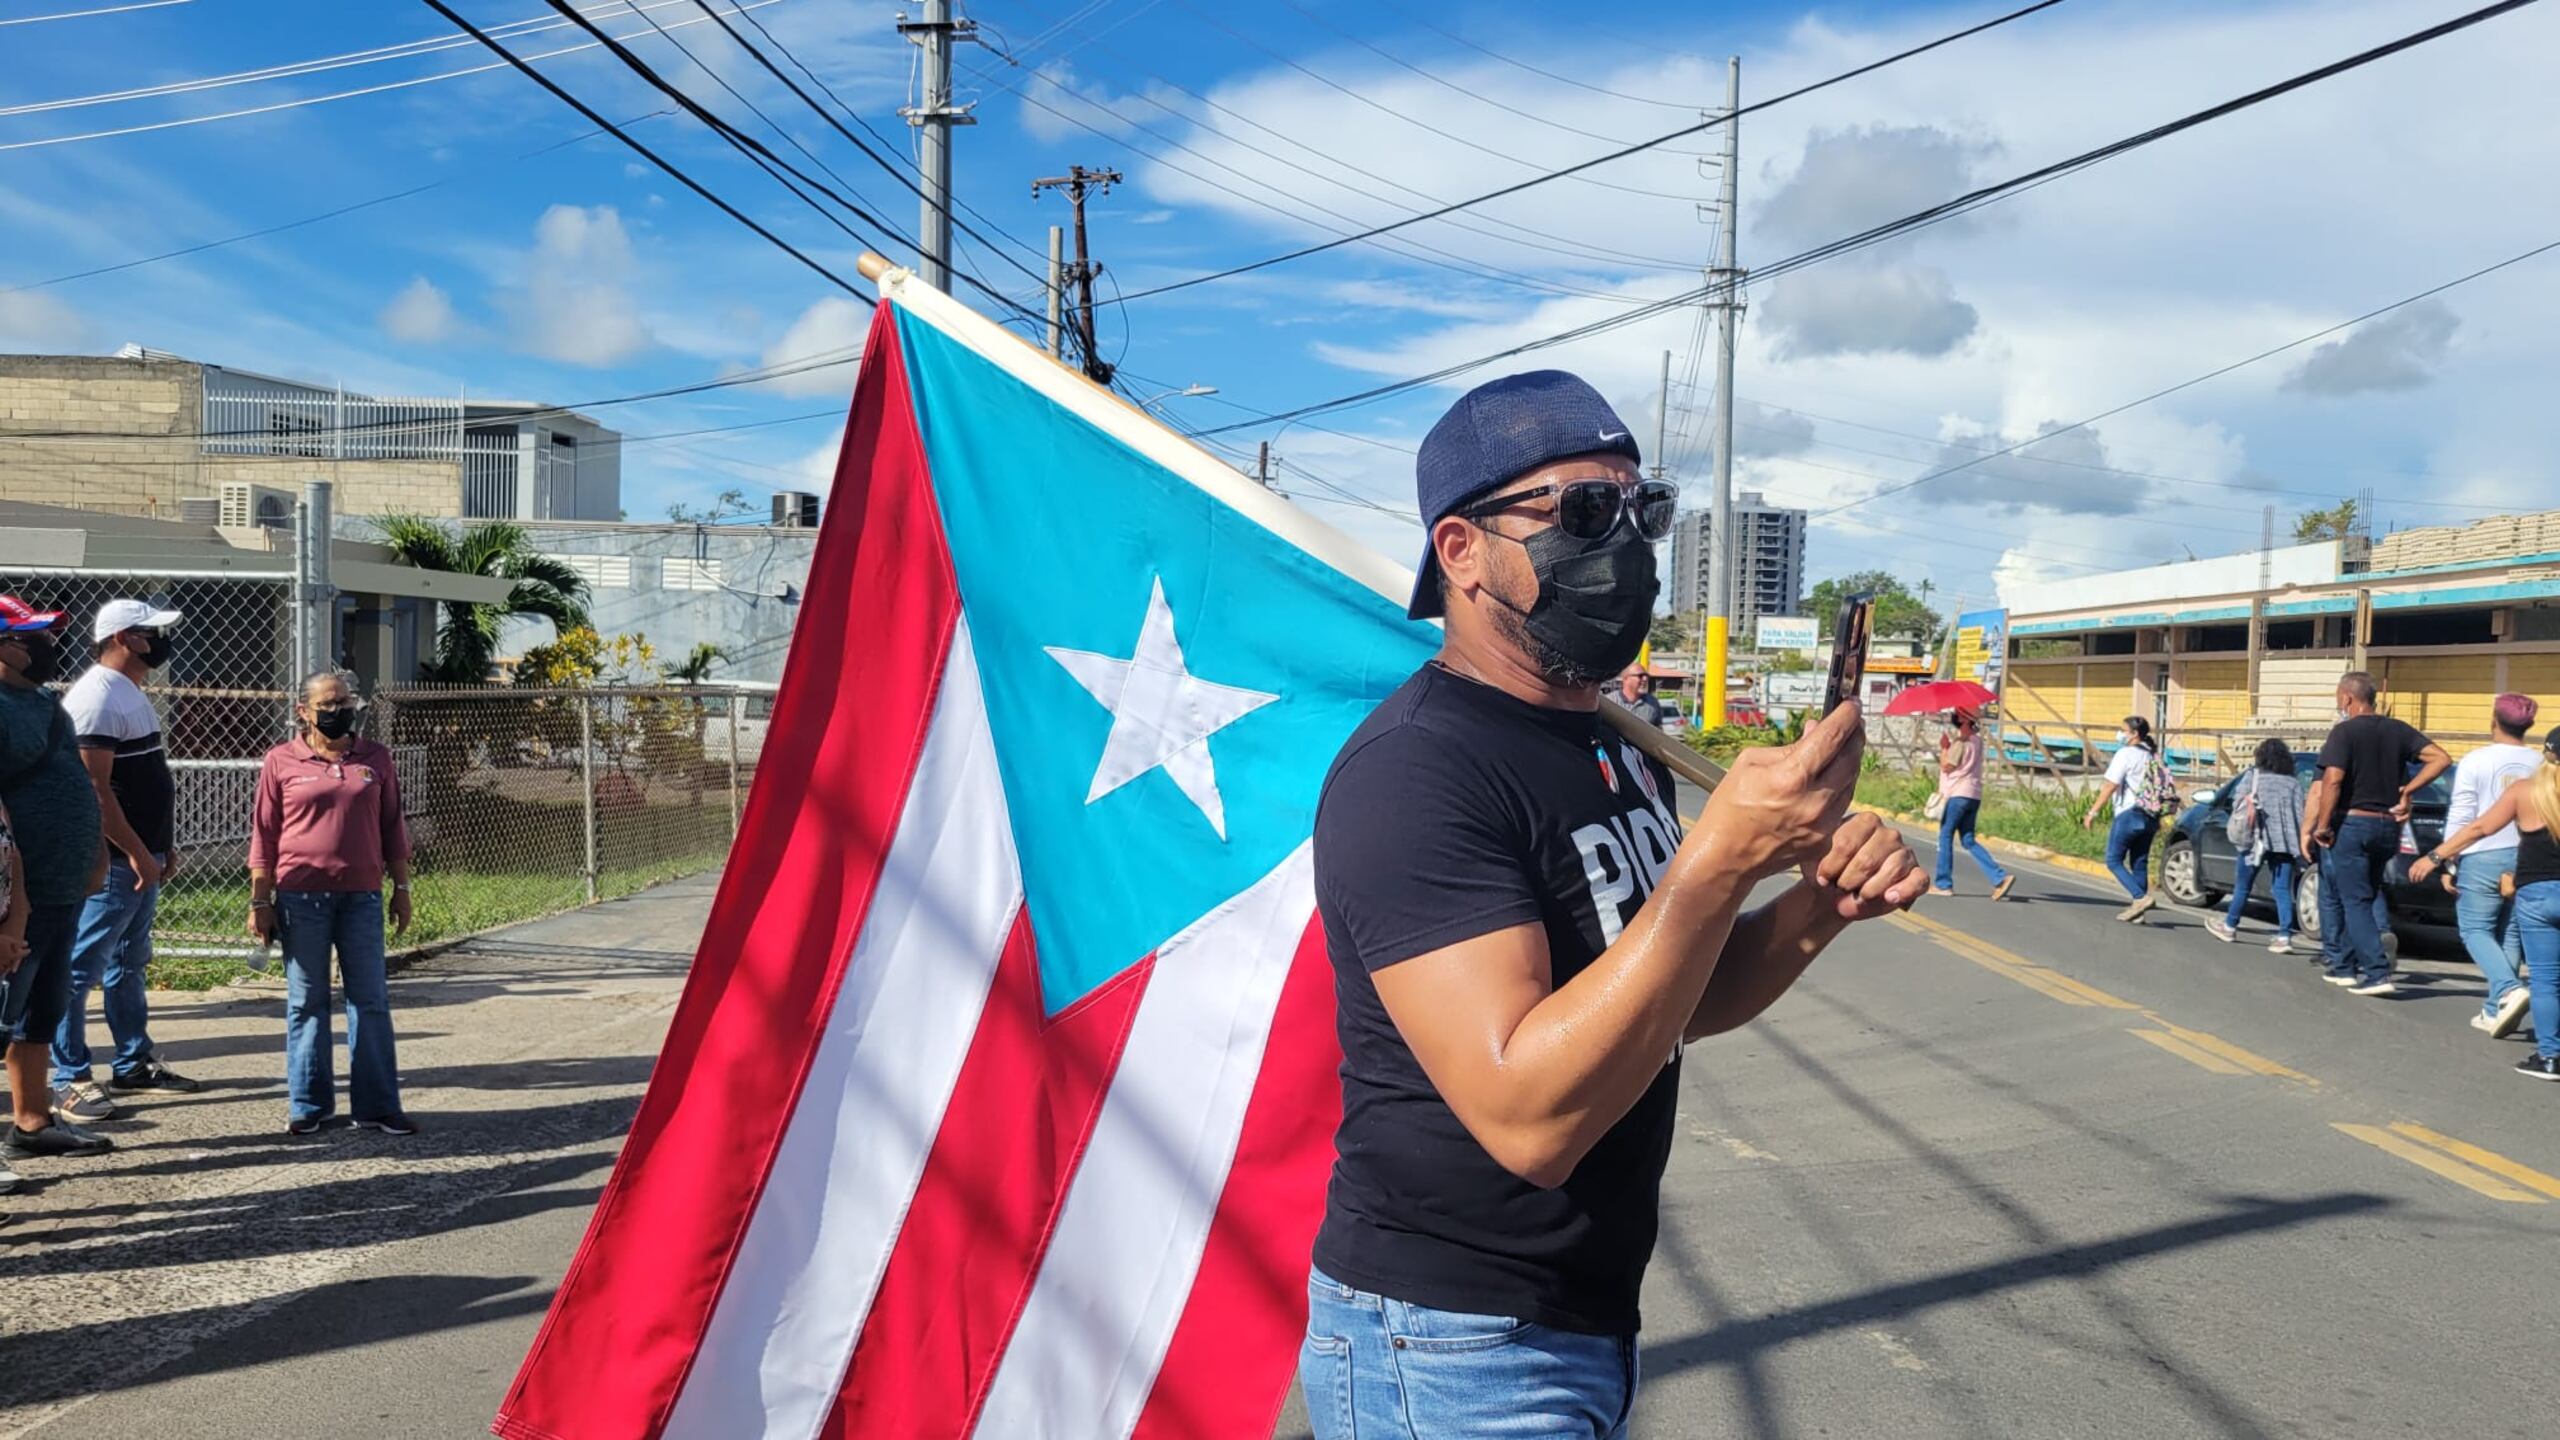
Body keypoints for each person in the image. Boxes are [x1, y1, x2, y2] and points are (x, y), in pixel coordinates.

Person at [1301, 370, 1925, 1438]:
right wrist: (1717, 862)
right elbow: (1525, 1117)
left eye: (1644, 512)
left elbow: (1668, 997)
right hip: (1448, 1344)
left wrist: (1817, 907)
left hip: (1577, 1323)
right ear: (1460, 552)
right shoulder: (1418, 772)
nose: (1626, 546)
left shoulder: (1604, 742)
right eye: (1583, 513)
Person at [247, 671, 416, 1137]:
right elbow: (264, 836)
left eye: (345, 701)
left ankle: (378, 1106)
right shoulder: (281, 761)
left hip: (362, 897)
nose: (338, 709)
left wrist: (401, 889)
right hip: (301, 898)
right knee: (307, 1002)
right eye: (327, 702)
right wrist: (259, 900)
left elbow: (392, 829)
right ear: (304, 711)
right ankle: (309, 1104)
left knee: (370, 1000)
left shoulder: (375, 759)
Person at [50, 598, 199, 1123]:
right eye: (148, 632)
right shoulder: (95, 697)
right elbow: (95, 790)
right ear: (122, 639)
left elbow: (140, 782)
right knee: (77, 969)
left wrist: (160, 845)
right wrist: (136, 852)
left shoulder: (127, 691)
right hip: (115, 861)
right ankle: (66, 1077)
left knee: (128, 963)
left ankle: (133, 1060)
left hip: (141, 857)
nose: (158, 640)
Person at [0, 596, 113, 1165]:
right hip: (16, 896)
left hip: (62, 886)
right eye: (30, 637)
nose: (45, 647)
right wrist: (13, 905)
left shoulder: (46, 706)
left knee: (42, 1009)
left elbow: (75, 780)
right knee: (2, 1011)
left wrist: (94, 853)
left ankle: (32, 1121)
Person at [2412, 726, 2560, 1081]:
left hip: (2537, 894)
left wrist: (2436, 856)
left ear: (2548, 753)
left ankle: (2551, 1056)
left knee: (2545, 979)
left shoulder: (2525, 791)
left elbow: (2480, 828)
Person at [2301, 671, 2449, 997]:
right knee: (2367, 893)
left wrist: (2322, 825)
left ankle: (2374, 971)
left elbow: (2333, 781)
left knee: (2354, 900)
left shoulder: (2344, 732)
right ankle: (2344, 967)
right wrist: (2409, 789)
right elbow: (2441, 758)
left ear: (2347, 699)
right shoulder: (2397, 729)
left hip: (2353, 822)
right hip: (2388, 826)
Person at [2438, 694, 2538, 1037]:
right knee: (2508, 932)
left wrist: (2448, 859)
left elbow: (2464, 813)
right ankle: (2495, 1009)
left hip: (2481, 851)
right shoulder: (2540, 763)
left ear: (2493, 720)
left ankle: (2508, 990)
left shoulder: (2476, 760)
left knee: (2475, 929)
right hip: (2525, 854)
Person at [2205, 738, 2306, 953]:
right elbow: (2300, 813)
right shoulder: (2293, 783)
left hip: (2256, 840)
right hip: (2284, 842)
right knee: (2282, 889)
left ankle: (2230, 926)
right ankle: (2285, 936)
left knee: (2243, 885)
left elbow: (2237, 803)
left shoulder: (2254, 776)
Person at [2082, 715, 2168, 922]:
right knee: (2139, 861)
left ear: (2134, 734)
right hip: (2151, 815)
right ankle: (2138, 911)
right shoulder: (2152, 755)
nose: (2120, 734)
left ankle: (2139, 898)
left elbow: (2110, 785)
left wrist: (2092, 812)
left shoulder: (2125, 754)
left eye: (2123, 730)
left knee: (2113, 860)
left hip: (2129, 813)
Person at [1930, 708, 2015, 901]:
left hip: (1957, 794)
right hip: (1973, 795)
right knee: (1968, 839)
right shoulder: (1978, 742)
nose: (1955, 718)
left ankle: (1943, 884)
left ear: (1964, 720)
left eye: (1958, 715)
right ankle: (1999, 877)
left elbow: (1947, 766)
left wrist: (1944, 747)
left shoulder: (1961, 743)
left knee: (1945, 836)